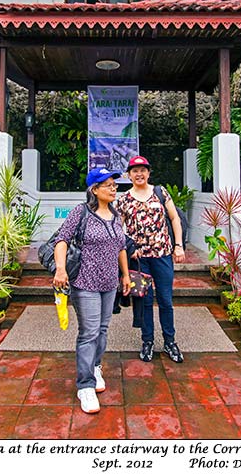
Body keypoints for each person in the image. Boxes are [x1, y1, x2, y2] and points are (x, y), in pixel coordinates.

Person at [53, 167, 131, 414]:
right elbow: (62, 240)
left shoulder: (117, 215)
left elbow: (121, 247)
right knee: (89, 333)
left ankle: (96, 366)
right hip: (85, 282)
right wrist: (60, 269)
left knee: (103, 329)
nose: (113, 188)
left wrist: (125, 275)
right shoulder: (81, 212)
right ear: (94, 190)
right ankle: (84, 385)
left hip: (109, 284)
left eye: (114, 184)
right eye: (107, 185)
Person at [116, 155, 185, 363]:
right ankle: (147, 341)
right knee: (144, 302)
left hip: (162, 255)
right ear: (129, 175)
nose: (139, 174)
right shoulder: (124, 200)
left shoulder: (160, 193)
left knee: (165, 299)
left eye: (143, 170)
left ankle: (170, 341)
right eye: (135, 171)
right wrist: (129, 250)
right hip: (139, 260)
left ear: (148, 172)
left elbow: (174, 218)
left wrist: (178, 246)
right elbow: (119, 230)